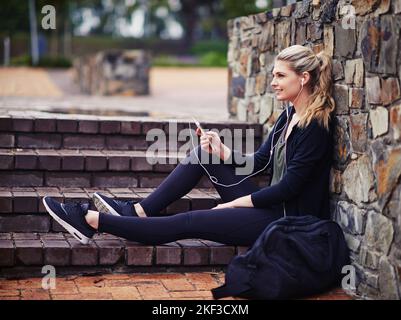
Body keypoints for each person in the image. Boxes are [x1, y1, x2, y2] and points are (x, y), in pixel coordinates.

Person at [42, 44, 336, 246]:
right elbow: (260, 162)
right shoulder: (289, 116)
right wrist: (224, 152)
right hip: (272, 206)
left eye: (280, 76)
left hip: (287, 222)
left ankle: (91, 220)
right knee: (203, 153)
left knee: (191, 221)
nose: (273, 82)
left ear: (304, 78)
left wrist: (233, 205)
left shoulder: (315, 127)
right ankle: (139, 212)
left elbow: (289, 189)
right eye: (273, 75)